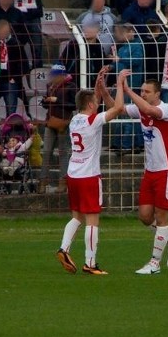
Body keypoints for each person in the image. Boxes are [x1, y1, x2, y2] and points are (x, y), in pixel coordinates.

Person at [99, 74, 168, 274]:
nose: (143, 94)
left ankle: (155, 263)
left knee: (162, 217)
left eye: (147, 91)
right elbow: (118, 108)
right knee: (145, 217)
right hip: (151, 171)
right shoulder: (141, 108)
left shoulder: (165, 109)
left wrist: (128, 90)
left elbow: (148, 110)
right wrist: (105, 90)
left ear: (157, 93)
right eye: (142, 91)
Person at [55, 67, 126, 276]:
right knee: (93, 219)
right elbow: (119, 108)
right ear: (90, 105)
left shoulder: (75, 120)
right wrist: (119, 84)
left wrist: (100, 88)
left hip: (73, 173)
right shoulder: (93, 120)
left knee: (76, 216)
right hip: (89, 175)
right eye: (95, 102)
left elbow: (97, 103)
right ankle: (91, 262)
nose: (98, 104)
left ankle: (64, 248)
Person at [38, 64, 77, 193]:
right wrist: (45, 101)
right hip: (50, 121)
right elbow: (46, 105)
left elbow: (74, 105)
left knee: (63, 152)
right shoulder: (50, 86)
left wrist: (57, 100)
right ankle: (42, 181)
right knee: (46, 152)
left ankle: (63, 181)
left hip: (64, 123)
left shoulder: (71, 87)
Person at [109, 22, 144, 153]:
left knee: (128, 115)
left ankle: (127, 144)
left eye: (120, 32)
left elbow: (137, 60)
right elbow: (120, 64)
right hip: (121, 85)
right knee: (120, 113)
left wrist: (120, 59)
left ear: (130, 32)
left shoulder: (136, 46)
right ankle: (119, 143)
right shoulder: (123, 47)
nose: (118, 35)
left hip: (131, 85)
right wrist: (111, 67)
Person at [0, 19, 29, 119]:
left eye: (6, 32)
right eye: (2, 31)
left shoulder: (16, 44)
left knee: (11, 111)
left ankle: (8, 132)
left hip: (10, 81)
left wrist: (15, 78)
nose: (4, 34)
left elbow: (24, 64)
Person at [12, 0, 46, 68]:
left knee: (37, 49)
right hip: (17, 17)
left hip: (34, 16)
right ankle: (18, 73)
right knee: (16, 48)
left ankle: (37, 73)